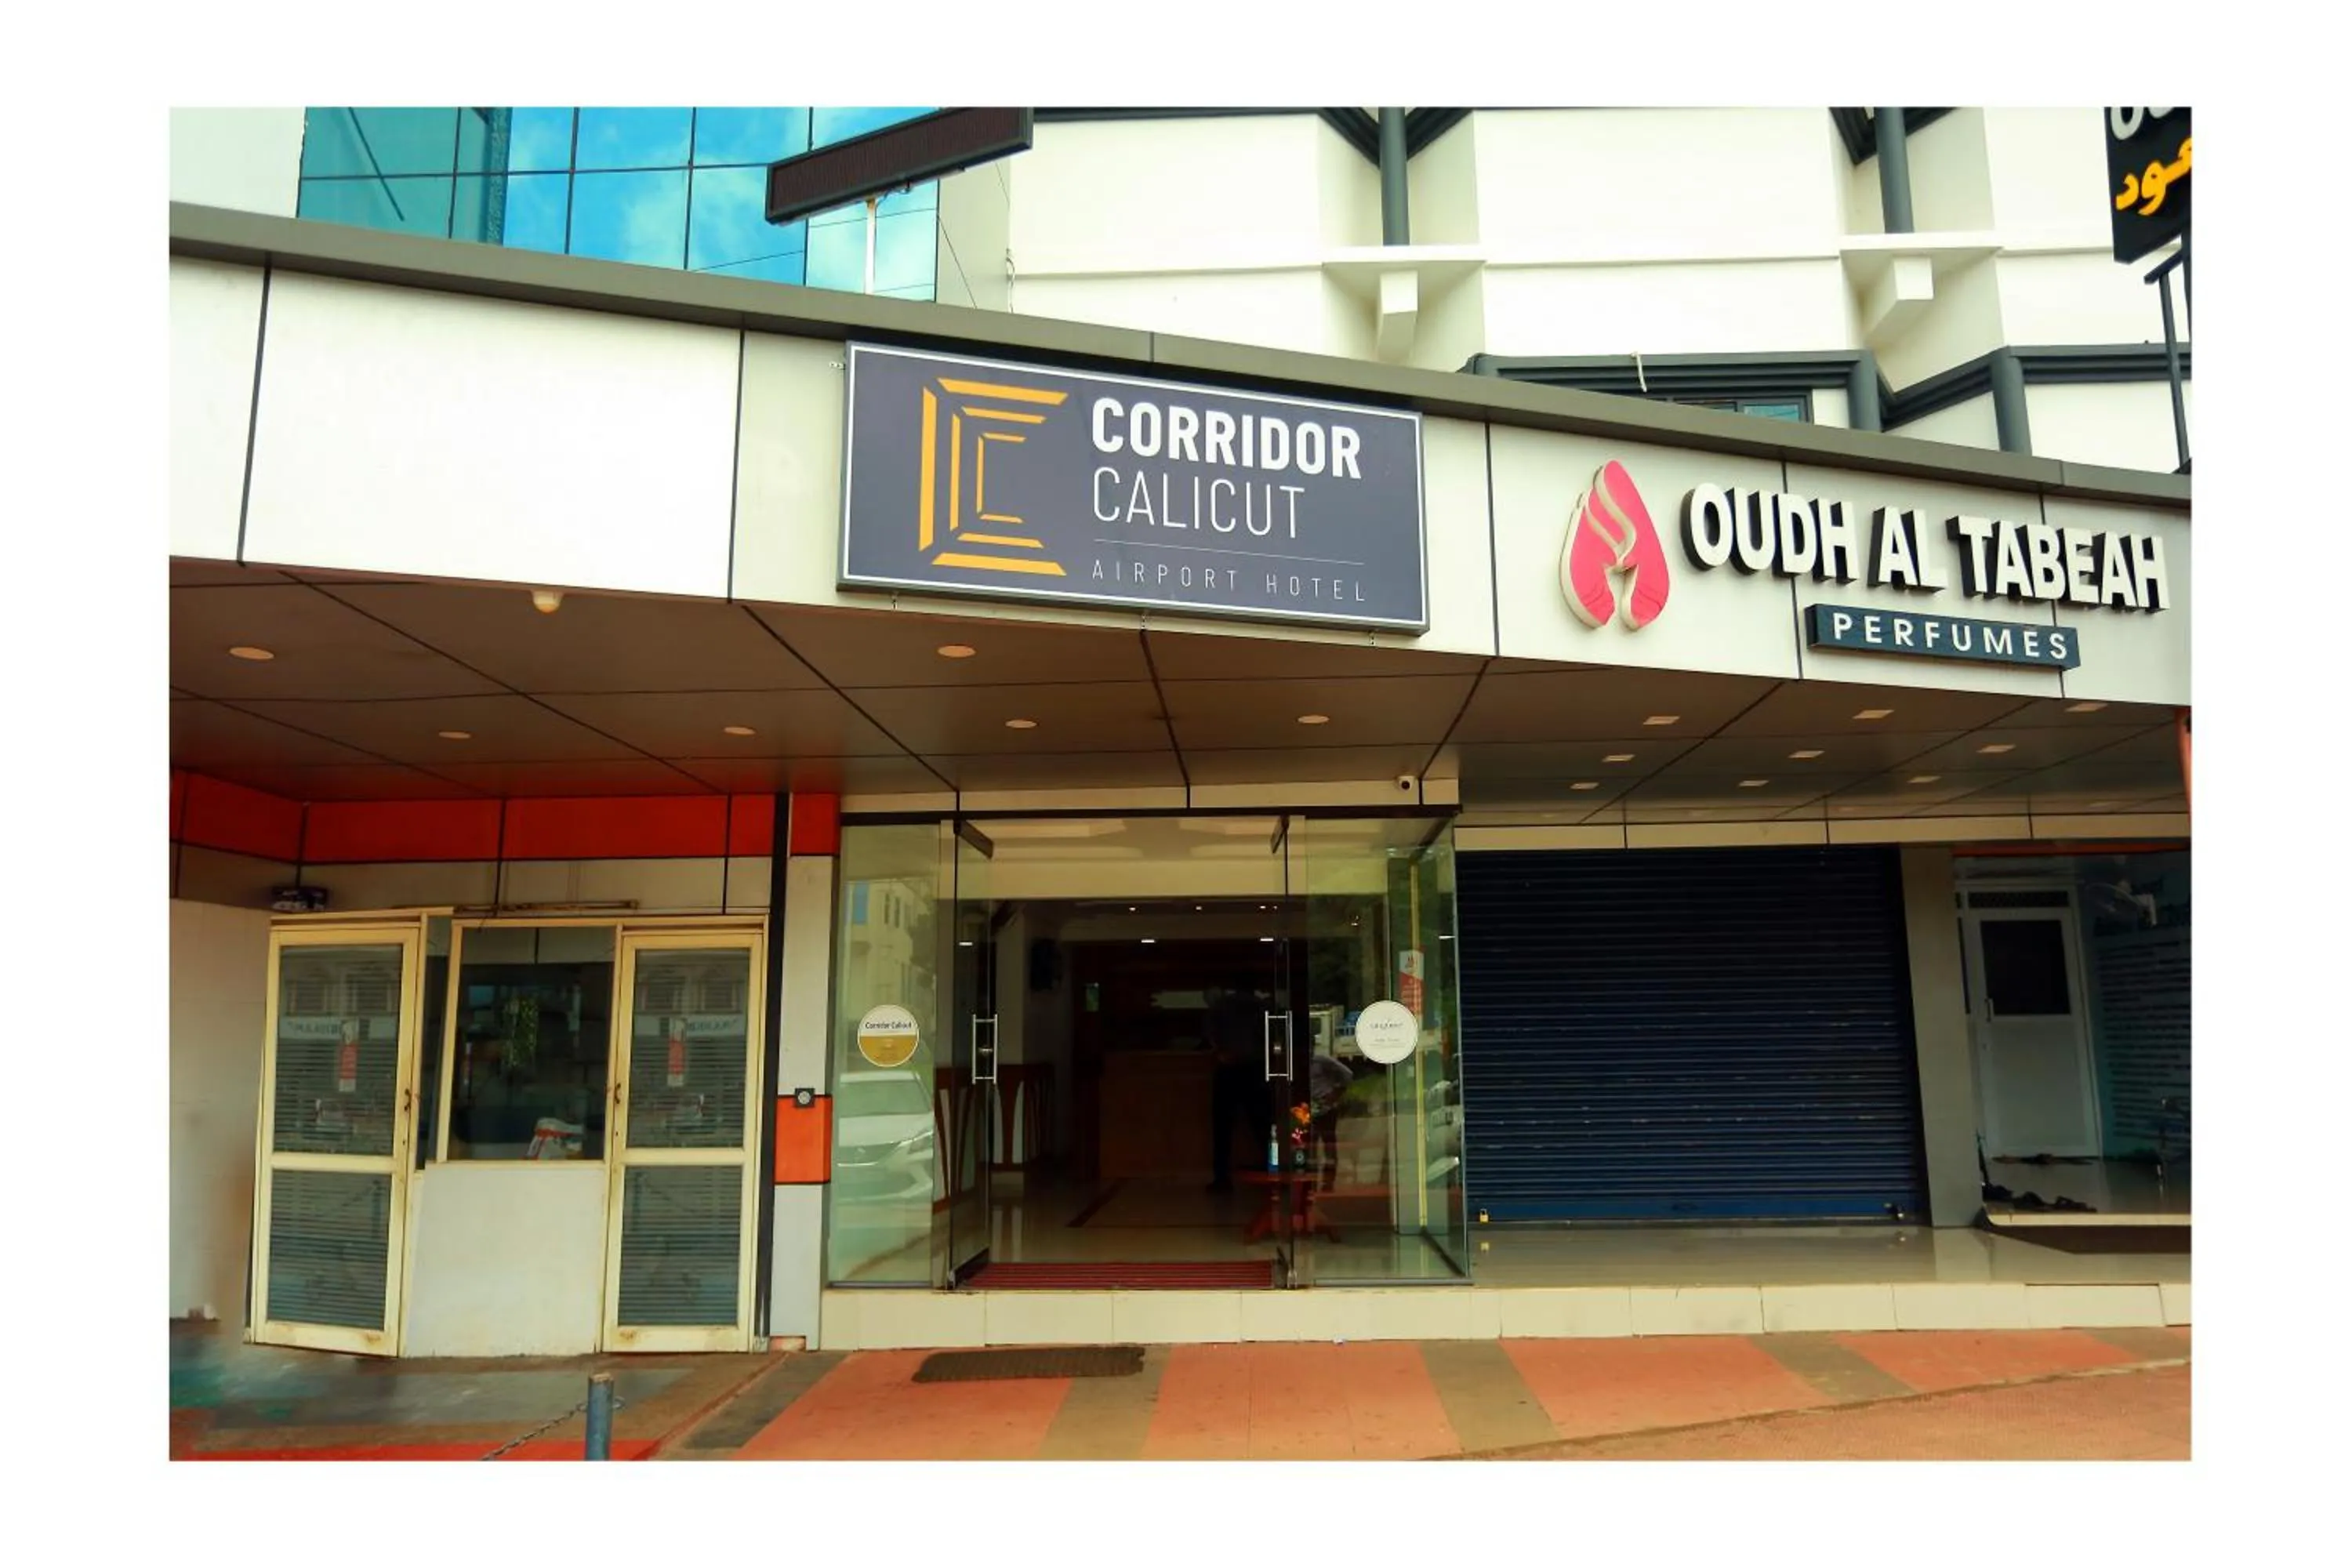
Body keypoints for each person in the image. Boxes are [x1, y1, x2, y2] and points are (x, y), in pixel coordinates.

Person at [1305, 1047, 1353, 1189]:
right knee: (1310, 1143)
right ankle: (1311, 1182)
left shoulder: (1321, 1061)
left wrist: (1337, 1093)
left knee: (1329, 1142)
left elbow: (1347, 1074)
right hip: (1307, 1110)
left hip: (1326, 1108)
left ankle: (1329, 1182)